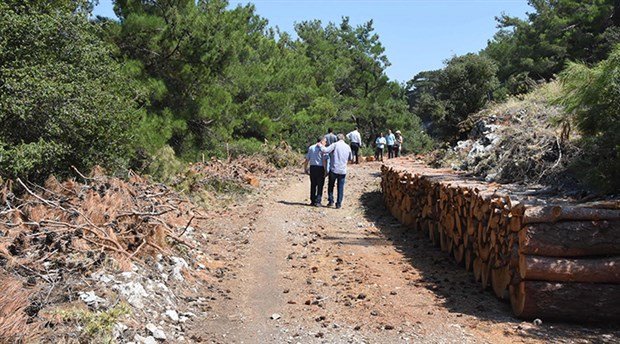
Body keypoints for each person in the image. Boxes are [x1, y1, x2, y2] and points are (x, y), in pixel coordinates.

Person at [319, 134, 352, 209]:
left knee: (331, 186)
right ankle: (339, 204)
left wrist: (320, 145)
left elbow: (325, 150)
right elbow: (351, 158)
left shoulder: (335, 145)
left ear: (337, 139)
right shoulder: (347, 147)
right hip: (343, 170)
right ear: (343, 139)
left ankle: (331, 201)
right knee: (340, 187)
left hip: (334, 169)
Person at [304, 136, 328, 206]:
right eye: (325, 141)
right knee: (320, 185)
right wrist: (326, 170)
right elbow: (324, 160)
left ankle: (312, 200)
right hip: (320, 168)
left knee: (313, 184)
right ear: (322, 141)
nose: (326, 143)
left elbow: (307, 159)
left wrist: (305, 168)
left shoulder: (311, 147)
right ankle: (318, 201)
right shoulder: (323, 149)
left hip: (312, 167)